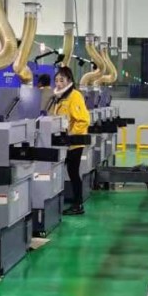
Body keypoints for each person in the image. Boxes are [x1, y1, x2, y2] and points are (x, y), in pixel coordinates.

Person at [48, 65, 91, 216]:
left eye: (62, 80)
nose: (58, 84)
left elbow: (83, 120)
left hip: (73, 143)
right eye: (56, 80)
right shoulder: (61, 97)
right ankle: (72, 202)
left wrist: (71, 136)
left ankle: (78, 204)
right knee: (68, 172)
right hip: (64, 143)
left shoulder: (74, 96)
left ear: (69, 80)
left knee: (73, 173)